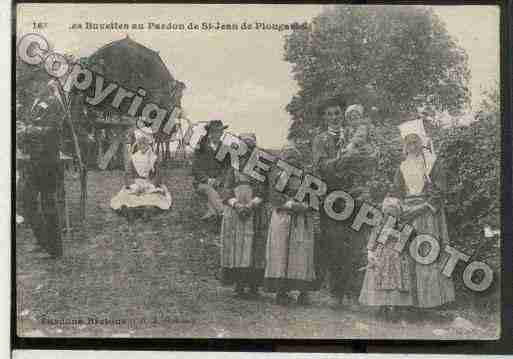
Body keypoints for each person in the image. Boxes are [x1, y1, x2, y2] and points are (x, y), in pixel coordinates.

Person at [312, 100, 377, 307]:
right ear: (324, 117)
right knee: (334, 244)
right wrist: (345, 159)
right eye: (329, 114)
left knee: (356, 243)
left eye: (337, 114)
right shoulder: (320, 139)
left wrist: (363, 158)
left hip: (355, 195)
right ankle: (336, 293)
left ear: (343, 116)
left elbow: (371, 158)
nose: (334, 117)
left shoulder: (354, 134)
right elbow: (323, 167)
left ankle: (353, 292)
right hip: (332, 198)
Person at [388, 118, 455, 308]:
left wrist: (422, 208)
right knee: (408, 256)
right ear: (404, 145)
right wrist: (395, 207)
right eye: (408, 142)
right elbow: (396, 190)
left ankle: (430, 303)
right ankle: (411, 303)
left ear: (422, 141)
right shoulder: (402, 166)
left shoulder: (432, 162)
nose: (411, 146)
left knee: (427, 253)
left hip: (427, 214)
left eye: (415, 141)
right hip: (408, 214)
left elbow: (440, 190)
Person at [264, 145, 319, 305]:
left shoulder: (307, 179)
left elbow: (315, 197)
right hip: (283, 218)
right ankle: (281, 292)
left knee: (302, 255)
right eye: (288, 160)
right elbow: (274, 196)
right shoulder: (278, 177)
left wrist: (306, 206)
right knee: (281, 254)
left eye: (294, 159)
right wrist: (290, 205)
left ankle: (303, 292)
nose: (291, 163)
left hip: (302, 221)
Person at [18, 79, 66, 258]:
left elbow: (53, 130)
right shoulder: (35, 102)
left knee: (48, 203)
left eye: (35, 83)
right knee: (27, 201)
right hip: (35, 160)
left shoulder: (54, 102)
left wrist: (28, 130)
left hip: (48, 162)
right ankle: (44, 242)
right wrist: (23, 132)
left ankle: (54, 250)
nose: (32, 87)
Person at [220, 133, 268, 297]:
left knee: (254, 248)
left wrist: (252, 205)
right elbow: (226, 189)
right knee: (238, 247)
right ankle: (239, 285)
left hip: (254, 211)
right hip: (236, 213)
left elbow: (263, 190)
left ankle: (254, 286)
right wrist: (236, 204)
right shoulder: (232, 168)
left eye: (251, 148)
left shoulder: (260, 169)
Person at [359, 196, 414, 320]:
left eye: (394, 214)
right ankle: (382, 307)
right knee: (381, 281)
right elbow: (373, 239)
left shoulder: (404, 226)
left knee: (396, 282)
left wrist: (400, 236)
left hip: (397, 257)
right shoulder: (379, 224)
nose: (391, 216)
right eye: (388, 213)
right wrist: (370, 252)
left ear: (399, 213)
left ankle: (396, 308)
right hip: (382, 256)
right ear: (384, 212)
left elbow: (405, 242)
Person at [110, 125, 172, 219]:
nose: (142, 146)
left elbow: (158, 175)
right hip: (136, 183)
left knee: (152, 197)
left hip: (150, 183)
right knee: (128, 196)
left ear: (149, 144)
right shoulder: (134, 158)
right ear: (137, 144)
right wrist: (133, 185)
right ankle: (130, 210)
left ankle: (147, 210)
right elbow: (128, 174)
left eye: (144, 143)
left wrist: (150, 185)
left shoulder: (154, 158)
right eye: (140, 143)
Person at [191, 120, 231, 220]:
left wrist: (219, 179)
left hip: (219, 182)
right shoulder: (201, 147)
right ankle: (223, 214)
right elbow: (195, 168)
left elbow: (226, 168)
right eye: (214, 132)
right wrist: (207, 180)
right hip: (202, 182)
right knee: (209, 190)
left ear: (222, 133)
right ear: (209, 133)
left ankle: (212, 212)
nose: (216, 134)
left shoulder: (224, 148)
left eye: (219, 132)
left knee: (226, 192)